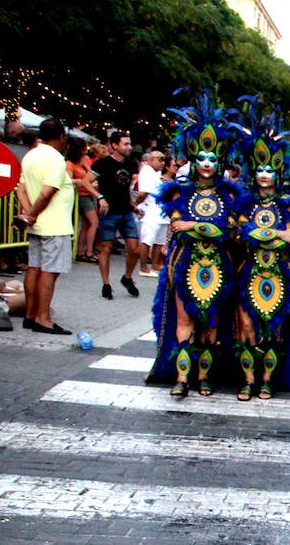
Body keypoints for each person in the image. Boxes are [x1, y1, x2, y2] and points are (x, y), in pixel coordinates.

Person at [146, 95, 244, 397]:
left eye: (213, 159)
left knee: (211, 322)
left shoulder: (230, 196)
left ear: (220, 162)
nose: (206, 164)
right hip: (186, 262)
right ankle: (181, 378)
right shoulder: (179, 193)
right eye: (201, 157)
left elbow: (228, 232)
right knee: (186, 319)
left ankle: (204, 377)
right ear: (192, 157)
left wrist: (195, 226)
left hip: (218, 264)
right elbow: (178, 229)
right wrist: (205, 228)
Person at [232, 125, 290, 401]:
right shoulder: (244, 203)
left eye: (269, 170)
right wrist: (274, 233)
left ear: (277, 173)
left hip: (280, 271)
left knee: (274, 329)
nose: (264, 176)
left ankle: (267, 380)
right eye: (259, 170)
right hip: (249, 270)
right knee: (247, 327)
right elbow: (240, 236)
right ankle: (248, 380)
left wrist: (259, 235)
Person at [15, 117, 75, 335]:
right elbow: (47, 193)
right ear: (61, 136)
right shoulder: (56, 159)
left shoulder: (31, 155)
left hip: (37, 225)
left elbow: (20, 189)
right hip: (54, 224)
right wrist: (32, 214)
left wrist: (29, 214)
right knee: (49, 272)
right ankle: (43, 318)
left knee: (34, 268)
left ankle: (30, 315)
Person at [92, 130, 144, 300]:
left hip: (125, 210)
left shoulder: (130, 164)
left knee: (135, 248)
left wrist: (132, 202)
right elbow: (85, 181)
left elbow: (126, 186)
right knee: (105, 247)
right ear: (114, 145)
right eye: (125, 144)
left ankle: (127, 277)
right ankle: (106, 284)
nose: (129, 147)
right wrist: (100, 197)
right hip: (109, 211)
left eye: (129, 143)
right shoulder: (102, 164)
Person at [65, 138, 99, 263]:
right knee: (93, 222)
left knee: (86, 225)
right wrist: (81, 182)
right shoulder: (69, 163)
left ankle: (81, 251)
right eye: (84, 149)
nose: (86, 151)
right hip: (81, 195)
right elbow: (68, 180)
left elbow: (92, 175)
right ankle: (88, 251)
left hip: (90, 193)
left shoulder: (86, 160)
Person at [136, 149, 169, 277]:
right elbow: (143, 193)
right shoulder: (147, 172)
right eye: (159, 159)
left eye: (163, 159)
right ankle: (143, 267)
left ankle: (154, 265)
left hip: (161, 212)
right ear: (151, 160)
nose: (162, 162)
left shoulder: (156, 173)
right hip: (151, 211)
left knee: (159, 241)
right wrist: (135, 204)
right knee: (147, 240)